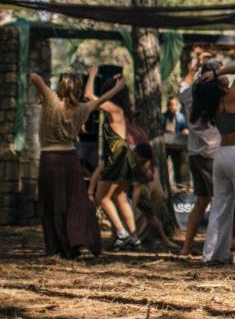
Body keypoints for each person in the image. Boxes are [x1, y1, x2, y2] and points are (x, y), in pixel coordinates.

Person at [31, 70, 123, 258]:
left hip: (49, 160)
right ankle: (74, 244)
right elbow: (102, 99)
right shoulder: (82, 108)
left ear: (61, 85)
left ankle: (55, 247)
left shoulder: (50, 100)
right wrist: (119, 86)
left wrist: (42, 90)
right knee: (72, 204)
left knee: (52, 204)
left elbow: (34, 77)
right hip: (71, 160)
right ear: (78, 89)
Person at [193, 62, 235, 266]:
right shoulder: (229, 97)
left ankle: (213, 254)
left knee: (220, 207)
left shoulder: (215, 104)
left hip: (222, 156)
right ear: (215, 83)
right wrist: (214, 72)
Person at [86, 68, 143, 250]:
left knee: (101, 197)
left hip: (117, 157)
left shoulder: (113, 108)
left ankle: (122, 233)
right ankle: (134, 238)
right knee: (120, 196)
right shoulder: (123, 110)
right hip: (125, 156)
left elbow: (88, 95)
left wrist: (92, 74)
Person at [177, 53, 221, 256]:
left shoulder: (189, 95)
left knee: (201, 201)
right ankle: (213, 249)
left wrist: (194, 66)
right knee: (219, 202)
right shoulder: (218, 94)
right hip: (212, 155)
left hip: (195, 154)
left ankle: (187, 247)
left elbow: (183, 84)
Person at [129, 143, 178, 250]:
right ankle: (129, 240)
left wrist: (132, 207)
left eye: (143, 160)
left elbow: (137, 188)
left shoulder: (145, 166)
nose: (140, 160)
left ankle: (164, 240)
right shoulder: (127, 157)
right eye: (139, 158)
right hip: (121, 183)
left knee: (149, 214)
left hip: (134, 185)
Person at [161, 98, 189, 192]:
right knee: (164, 165)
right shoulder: (163, 116)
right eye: (170, 105)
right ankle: (165, 185)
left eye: (174, 105)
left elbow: (184, 128)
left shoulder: (180, 117)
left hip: (176, 143)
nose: (172, 107)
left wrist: (184, 131)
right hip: (165, 144)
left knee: (178, 164)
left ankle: (180, 186)